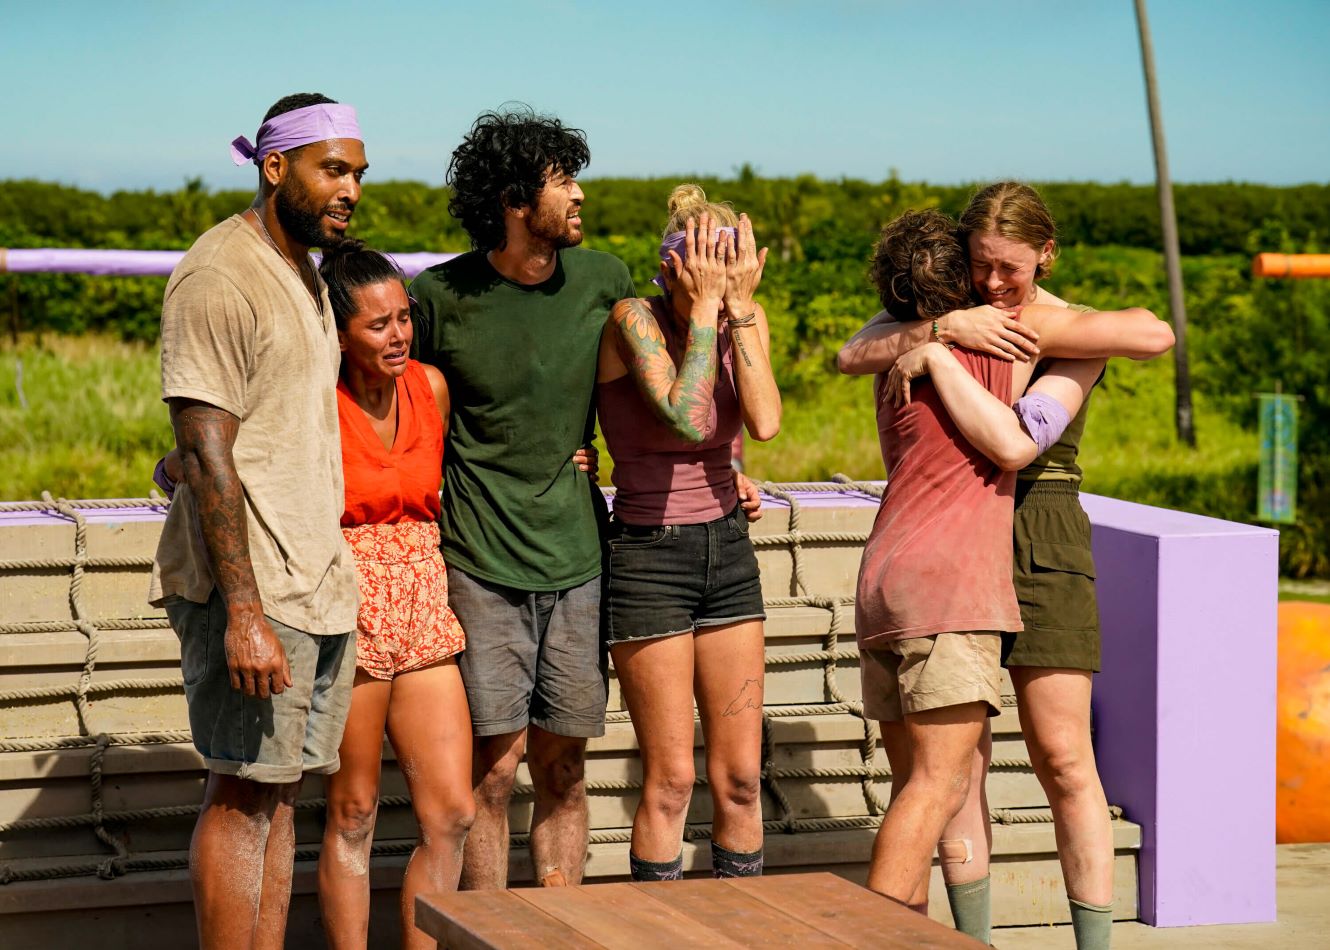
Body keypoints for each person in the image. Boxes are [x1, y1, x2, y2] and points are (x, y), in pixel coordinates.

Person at [837, 207, 1172, 943]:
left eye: (1008, 268)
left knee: (1061, 755)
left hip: (1034, 532)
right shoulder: (962, 319)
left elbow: (1154, 333)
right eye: (979, 264)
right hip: (960, 541)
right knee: (954, 776)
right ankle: (969, 937)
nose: (993, 282)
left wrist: (952, 345)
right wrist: (941, 332)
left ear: (1045, 255)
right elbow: (853, 350)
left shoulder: (1044, 325)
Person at [147, 92, 366, 950]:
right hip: (256, 592)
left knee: (276, 798)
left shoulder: (305, 272)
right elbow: (203, 451)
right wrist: (242, 614)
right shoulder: (219, 273)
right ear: (276, 167)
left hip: (312, 582)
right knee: (242, 795)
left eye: (358, 172)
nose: (350, 189)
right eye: (333, 169)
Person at [409, 107, 635, 890]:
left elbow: (648, 390)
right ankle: (486, 935)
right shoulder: (438, 295)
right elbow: (398, 404)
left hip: (578, 554)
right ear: (514, 198)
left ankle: (560, 932)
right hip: (478, 561)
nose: (578, 196)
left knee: (565, 767)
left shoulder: (605, 278)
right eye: (562, 181)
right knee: (495, 769)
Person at [596, 186, 781, 881]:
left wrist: (736, 314)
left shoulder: (744, 317)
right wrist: (705, 311)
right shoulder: (632, 321)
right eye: (709, 267)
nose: (722, 282)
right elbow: (686, 416)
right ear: (675, 266)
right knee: (672, 780)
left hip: (727, 548)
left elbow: (762, 424)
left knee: (739, 779)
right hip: (649, 556)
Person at [311, 241, 472, 950]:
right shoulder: (316, 400)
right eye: (378, 325)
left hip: (423, 596)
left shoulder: (429, 387)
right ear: (339, 332)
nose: (398, 334)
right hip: (347, 605)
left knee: (453, 814)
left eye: (403, 318)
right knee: (353, 810)